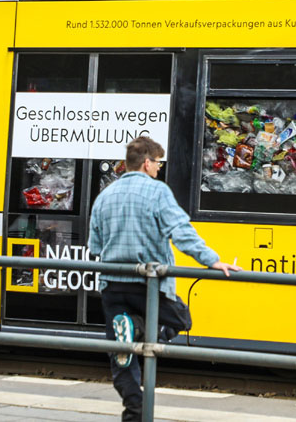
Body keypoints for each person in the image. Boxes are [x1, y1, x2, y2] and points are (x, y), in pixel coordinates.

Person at [88, 136, 240, 422]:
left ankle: (135, 413)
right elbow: (181, 232)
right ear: (147, 163)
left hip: (112, 284)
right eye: (157, 163)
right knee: (181, 319)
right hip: (149, 284)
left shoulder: (105, 195)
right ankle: (137, 327)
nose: (159, 168)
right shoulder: (157, 192)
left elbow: (95, 246)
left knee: (123, 356)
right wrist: (212, 260)